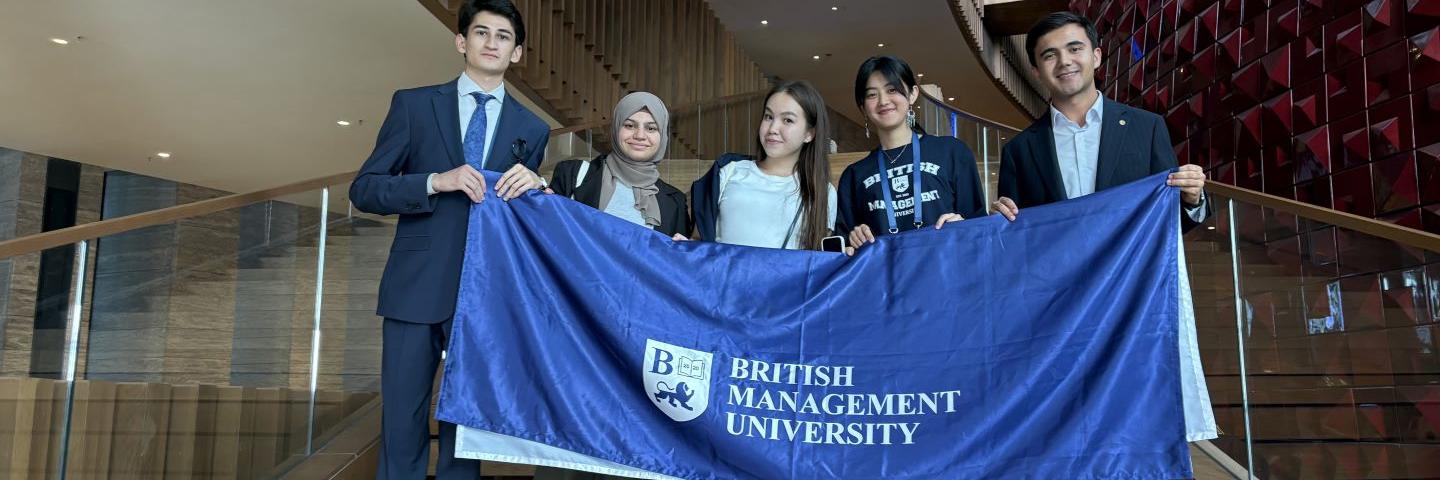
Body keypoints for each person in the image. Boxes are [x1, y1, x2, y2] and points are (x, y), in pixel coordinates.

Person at [347, 0, 550, 477]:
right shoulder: (414, 105)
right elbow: (365, 189)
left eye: (503, 36)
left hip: (486, 294)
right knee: (401, 423)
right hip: (415, 286)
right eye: (482, 32)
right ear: (461, 41)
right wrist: (435, 181)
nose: (491, 43)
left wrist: (539, 188)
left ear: (517, 53)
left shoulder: (533, 128)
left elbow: (521, 218)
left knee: (466, 432)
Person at [992, 11, 1209, 226]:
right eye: (1049, 55)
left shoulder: (1147, 127)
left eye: (1074, 49)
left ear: (1096, 56)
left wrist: (1192, 199)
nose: (1064, 61)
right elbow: (1017, 234)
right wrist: (997, 222)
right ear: (1036, 71)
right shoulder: (1018, 151)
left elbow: (1169, 220)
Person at [837, 56, 986, 254]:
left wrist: (964, 224)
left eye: (892, 90)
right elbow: (844, 247)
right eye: (872, 95)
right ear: (863, 107)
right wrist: (853, 239)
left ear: (913, 94)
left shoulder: (952, 152)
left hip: (947, 268)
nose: (883, 101)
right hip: (885, 273)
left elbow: (981, 226)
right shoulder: (854, 175)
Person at [690, 80, 837, 250]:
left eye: (788, 120)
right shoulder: (729, 172)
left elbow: (819, 259)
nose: (773, 128)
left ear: (809, 134)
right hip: (723, 268)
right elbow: (698, 240)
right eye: (768, 117)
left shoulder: (821, 191)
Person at [549, 92, 690, 237]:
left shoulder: (676, 201)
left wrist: (686, 248)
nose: (640, 136)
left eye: (651, 128)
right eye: (629, 125)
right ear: (616, 128)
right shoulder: (572, 174)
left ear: (663, 136)